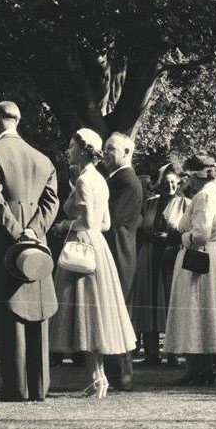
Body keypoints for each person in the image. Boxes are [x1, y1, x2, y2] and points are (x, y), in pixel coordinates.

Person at [0, 101, 59, 402]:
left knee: (8, 310)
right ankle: (39, 387)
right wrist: (34, 231)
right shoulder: (43, 158)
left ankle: (14, 387)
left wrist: (17, 232)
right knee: (38, 308)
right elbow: (52, 203)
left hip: (7, 243)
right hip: (38, 244)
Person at [50, 129, 137, 397]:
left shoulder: (86, 181)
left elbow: (87, 221)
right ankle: (98, 377)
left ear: (84, 150)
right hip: (99, 246)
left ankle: (96, 377)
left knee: (85, 312)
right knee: (94, 312)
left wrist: (65, 224)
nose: (67, 151)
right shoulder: (98, 179)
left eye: (71, 146)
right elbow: (106, 223)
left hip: (83, 245)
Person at [164, 155, 216, 384]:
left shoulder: (204, 196)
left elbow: (200, 234)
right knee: (203, 311)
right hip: (211, 255)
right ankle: (202, 367)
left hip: (198, 256)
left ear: (197, 177)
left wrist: (181, 237)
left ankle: (195, 368)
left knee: (193, 310)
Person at [131, 162, 190, 366]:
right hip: (149, 257)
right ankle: (151, 354)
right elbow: (138, 227)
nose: (171, 187)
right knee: (149, 302)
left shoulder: (185, 204)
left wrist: (170, 239)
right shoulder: (150, 204)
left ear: (179, 184)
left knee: (170, 303)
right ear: (160, 184)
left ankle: (173, 354)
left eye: (174, 183)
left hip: (171, 257)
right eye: (166, 183)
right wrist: (148, 235)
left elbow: (187, 231)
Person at [101, 131, 144, 390]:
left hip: (119, 253)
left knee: (119, 311)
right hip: (117, 251)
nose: (106, 153)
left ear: (127, 153)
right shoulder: (116, 179)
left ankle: (122, 374)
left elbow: (113, 220)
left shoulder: (127, 181)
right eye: (105, 148)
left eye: (111, 149)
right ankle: (114, 372)